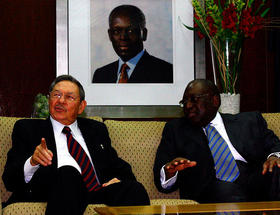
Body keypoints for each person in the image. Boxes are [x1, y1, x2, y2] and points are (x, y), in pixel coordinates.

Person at [2, 75, 150, 215]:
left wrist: (118, 179)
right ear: (49, 100)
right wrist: (32, 161)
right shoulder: (28, 128)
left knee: (135, 189)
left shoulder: (96, 129)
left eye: (69, 97)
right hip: (51, 190)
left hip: (94, 192)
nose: (61, 101)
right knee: (68, 173)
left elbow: (121, 168)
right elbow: (10, 179)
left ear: (81, 107)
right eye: (56, 95)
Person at [153, 79, 280, 203]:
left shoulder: (248, 121)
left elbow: (274, 144)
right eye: (184, 102)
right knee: (225, 190)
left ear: (215, 100)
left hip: (255, 181)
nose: (188, 105)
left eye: (194, 99)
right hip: (211, 189)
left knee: (276, 170)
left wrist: (274, 157)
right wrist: (170, 171)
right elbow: (162, 177)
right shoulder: (176, 130)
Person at [92, 4, 173, 84]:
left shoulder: (166, 72)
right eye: (116, 31)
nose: (123, 37)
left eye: (130, 31)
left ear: (144, 34)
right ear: (110, 35)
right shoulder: (100, 75)